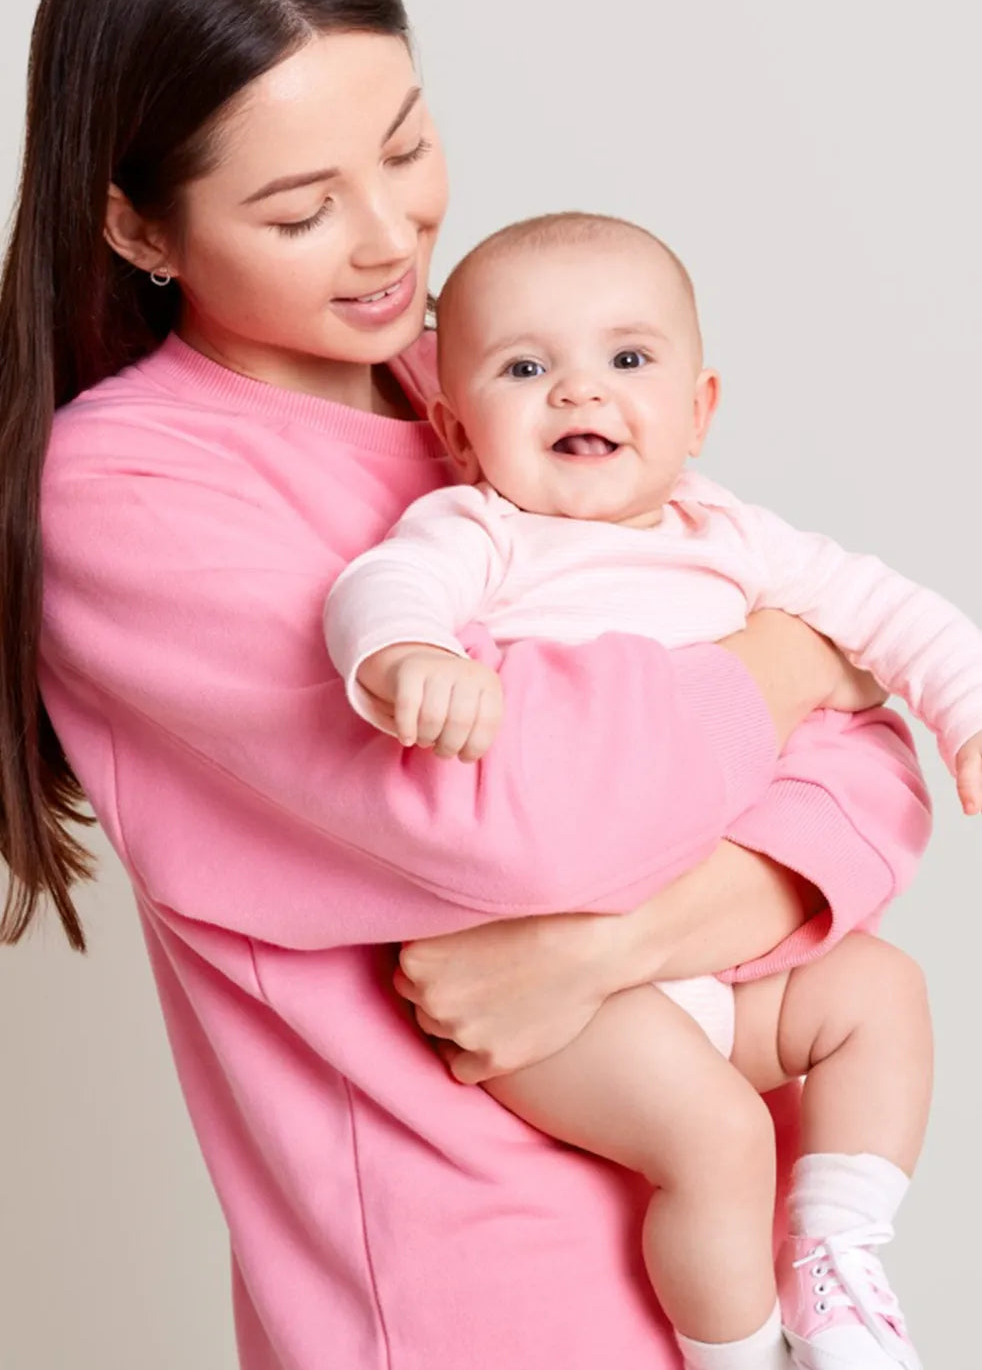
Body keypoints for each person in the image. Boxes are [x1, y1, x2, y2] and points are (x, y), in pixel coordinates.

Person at [0, 0, 931, 1369]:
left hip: (744, 1271)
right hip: (470, 1302)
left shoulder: (498, 363)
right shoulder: (129, 489)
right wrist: (794, 656)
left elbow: (875, 771)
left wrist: (629, 936)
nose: (389, 239)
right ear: (136, 223)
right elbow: (528, 813)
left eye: (408, 142)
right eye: (302, 208)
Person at [326, 211, 974, 1370]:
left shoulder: (737, 538)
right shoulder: (482, 531)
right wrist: (408, 658)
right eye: (525, 369)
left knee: (884, 994)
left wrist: (966, 714)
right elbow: (384, 587)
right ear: (456, 429)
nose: (581, 393)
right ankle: (739, 1355)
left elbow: (892, 613)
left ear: (697, 409)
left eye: (628, 360)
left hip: (728, 962)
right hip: (563, 1002)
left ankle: (840, 1259)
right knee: (720, 1139)